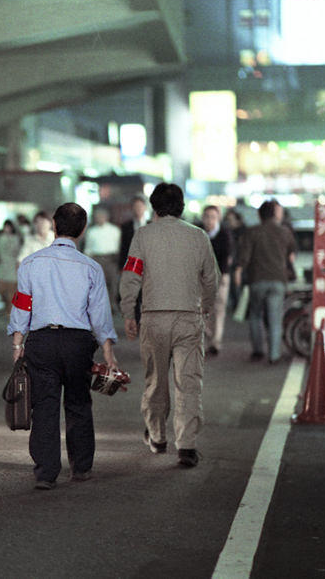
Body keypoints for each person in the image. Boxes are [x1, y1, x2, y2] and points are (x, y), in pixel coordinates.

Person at [8, 203, 118, 490]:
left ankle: (46, 472)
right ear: (82, 230)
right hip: (78, 343)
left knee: (44, 405)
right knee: (78, 402)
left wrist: (18, 343)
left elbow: (22, 306)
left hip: (42, 341)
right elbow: (100, 314)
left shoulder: (31, 263)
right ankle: (81, 467)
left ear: (54, 225)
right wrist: (108, 350)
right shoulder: (91, 268)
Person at [119, 183, 219, 468]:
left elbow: (132, 276)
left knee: (156, 382)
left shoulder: (143, 236)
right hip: (188, 317)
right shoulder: (198, 236)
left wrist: (129, 311)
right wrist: (207, 305)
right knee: (188, 383)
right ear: (182, 206)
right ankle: (186, 446)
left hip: (153, 318)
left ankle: (157, 436)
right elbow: (211, 277)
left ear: (154, 207)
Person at [233, 200, 297, 364]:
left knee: (255, 315)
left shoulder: (252, 232)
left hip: (257, 280)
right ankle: (274, 355)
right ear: (275, 214)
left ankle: (258, 351)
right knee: (275, 318)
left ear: (260, 215)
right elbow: (291, 255)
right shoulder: (285, 232)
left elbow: (244, 256)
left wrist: (239, 271)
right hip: (277, 280)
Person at [201, 205, 233, 356]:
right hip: (201, 278)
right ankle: (209, 337)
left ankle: (215, 343)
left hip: (221, 277)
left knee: (219, 311)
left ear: (218, 218)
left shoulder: (224, 234)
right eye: (207, 216)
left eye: (213, 217)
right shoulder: (199, 234)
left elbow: (226, 258)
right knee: (203, 311)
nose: (209, 220)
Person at [83, 207, 122, 308]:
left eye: (101, 216)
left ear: (106, 217)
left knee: (113, 283)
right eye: (97, 217)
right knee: (98, 284)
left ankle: (112, 305)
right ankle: (100, 306)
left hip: (110, 259)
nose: (99, 218)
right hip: (96, 259)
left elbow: (118, 246)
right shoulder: (91, 232)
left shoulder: (115, 230)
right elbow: (88, 248)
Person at [0, 219, 22, 314]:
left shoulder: (16, 238)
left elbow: (19, 252)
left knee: (11, 291)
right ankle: (6, 306)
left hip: (12, 266)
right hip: (1, 266)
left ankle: (10, 311)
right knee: (1, 290)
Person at [118, 195, 149, 271]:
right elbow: (123, 248)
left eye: (140, 206)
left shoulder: (151, 225)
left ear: (145, 208)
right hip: (132, 265)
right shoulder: (126, 227)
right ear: (132, 209)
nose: (138, 209)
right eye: (136, 206)